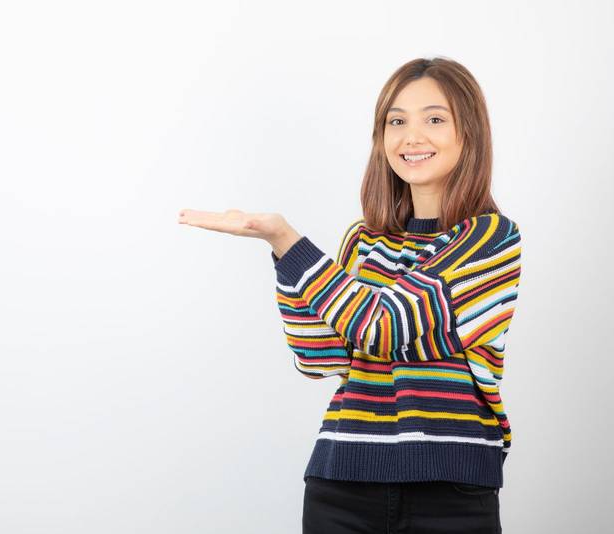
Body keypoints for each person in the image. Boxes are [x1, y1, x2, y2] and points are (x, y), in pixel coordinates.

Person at [177, 56, 521, 534]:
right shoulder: (365, 240)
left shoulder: (490, 238)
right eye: (396, 122)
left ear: (470, 134)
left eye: (434, 119)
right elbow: (320, 357)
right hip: (341, 480)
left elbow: (383, 327)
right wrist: (282, 254)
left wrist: (290, 242)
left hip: (449, 487)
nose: (411, 137)